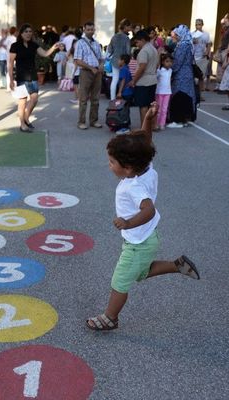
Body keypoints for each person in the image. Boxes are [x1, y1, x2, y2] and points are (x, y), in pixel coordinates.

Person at [86, 102, 199, 331]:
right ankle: (177, 266)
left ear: (128, 168)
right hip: (146, 238)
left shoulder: (134, 186)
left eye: (111, 162)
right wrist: (148, 119)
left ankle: (110, 318)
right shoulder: (146, 167)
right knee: (140, 272)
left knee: (120, 281)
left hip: (138, 242)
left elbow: (149, 210)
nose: (109, 166)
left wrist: (128, 222)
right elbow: (145, 143)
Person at [8, 23, 63, 132]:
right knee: (22, 101)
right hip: (21, 77)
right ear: (21, 33)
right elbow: (10, 63)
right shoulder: (15, 45)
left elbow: (45, 54)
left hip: (33, 75)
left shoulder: (33, 45)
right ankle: (22, 124)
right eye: (26, 32)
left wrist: (53, 47)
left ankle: (26, 118)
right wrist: (10, 79)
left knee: (34, 99)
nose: (28, 34)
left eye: (30, 31)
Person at [74, 21, 105, 130]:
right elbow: (77, 60)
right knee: (83, 99)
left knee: (95, 98)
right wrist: (91, 68)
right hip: (86, 72)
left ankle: (94, 121)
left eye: (92, 29)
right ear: (84, 30)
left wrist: (101, 65)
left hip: (97, 73)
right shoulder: (80, 43)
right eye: (88, 29)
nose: (90, 31)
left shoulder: (96, 43)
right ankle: (81, 122)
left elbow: (101, 58)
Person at [167, 25, 196, 128]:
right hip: (187, 73)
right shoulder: (189, 43)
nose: (174, 36)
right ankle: (184, 119)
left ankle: (178, 120)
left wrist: (170, 71)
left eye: (176, 34)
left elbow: (178, 61)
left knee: (179, 96)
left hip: (181, 74)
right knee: (186, 96)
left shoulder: (183, 45)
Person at [128, 30, 158, 126]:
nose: (137, 44)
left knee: (143, 105)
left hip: (144, 81)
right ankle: (153, 125)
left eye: (137, 42)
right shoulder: (154, 49)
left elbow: (142, 67)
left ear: (142, 40)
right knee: (151, 104)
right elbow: (157, 65)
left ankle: (144, 127)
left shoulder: (144, 51)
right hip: (153, 79)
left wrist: (134, 80)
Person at [108, 19, 132, 101]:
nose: (130, 28)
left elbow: (110, 50)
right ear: (125, 26)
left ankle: (112, 98)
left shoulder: (114, 36)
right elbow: (128, 51)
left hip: (115, 61)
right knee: (123, 79)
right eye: (129, 26)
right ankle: (121, 95)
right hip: (124, 61)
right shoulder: (126, 38)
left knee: (114, 79)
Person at [192, 19, 212, 97]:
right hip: (193, 58)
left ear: (202, 25)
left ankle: (199, 95)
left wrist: (207, 52)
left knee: (201, 77)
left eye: (199, 24)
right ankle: (193, 93)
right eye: (196, 24)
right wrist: (193, 41)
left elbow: (209, 44)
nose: (198, 26)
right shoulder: (192, 34)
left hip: (202, 58)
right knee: (193, 77)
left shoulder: (206, 34)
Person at [155, 54, 173, 130]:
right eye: (167, 61)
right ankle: (156, 123)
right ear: (162, 62)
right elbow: (156, 77)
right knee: (158, 109)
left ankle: (162, 123)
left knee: (164, 109)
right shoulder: (159, 71)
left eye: (171, 62)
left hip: (167, 92)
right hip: (159, 92)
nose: (169, 63)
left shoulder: (170, 71)